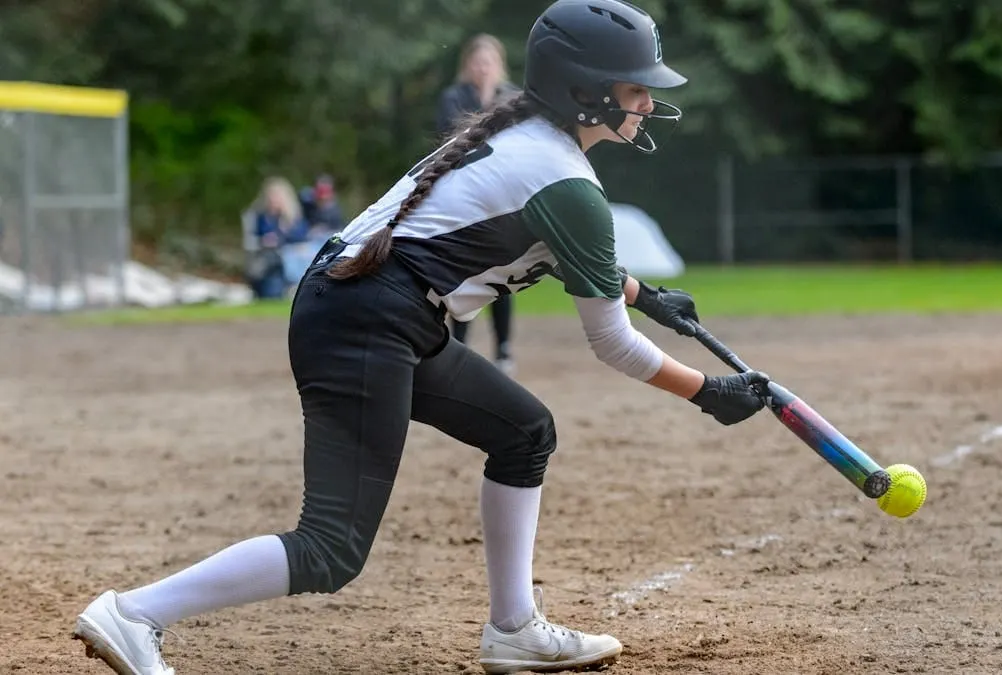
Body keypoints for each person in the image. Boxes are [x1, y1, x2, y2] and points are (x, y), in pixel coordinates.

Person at [70, 2, 770, 674]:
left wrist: (646, 295)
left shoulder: (527, 137)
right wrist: (705, 390)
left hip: (371, 310)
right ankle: (134, 612)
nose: (647, 102)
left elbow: (552, 248)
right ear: (584, 90)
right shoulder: (568, 182)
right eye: (634, 88)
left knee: (524, 432)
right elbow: (610, 344)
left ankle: (514, 628)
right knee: (331, 547)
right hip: (368, 319)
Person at [437, 33, 522, 375]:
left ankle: (503, 348)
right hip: (464, 194)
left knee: (501, 271)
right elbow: (450, 139)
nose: (483, 68)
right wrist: (485, 101)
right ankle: (458, 346)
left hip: (501, 198)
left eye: (489, 62)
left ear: (499, 65)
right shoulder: (452, 98)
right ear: (467, 65)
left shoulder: (514, 97)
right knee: (463, 272)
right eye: (477, 62)